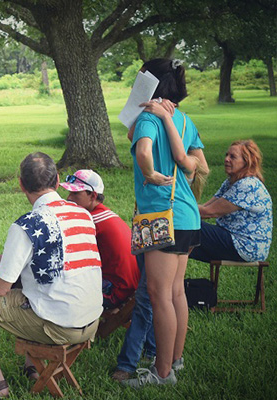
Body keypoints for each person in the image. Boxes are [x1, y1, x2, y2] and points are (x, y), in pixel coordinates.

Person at [0, 152, 102, 397]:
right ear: (56, 183)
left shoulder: (27, 224)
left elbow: (1, 288)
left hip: (60, 327)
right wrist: (3, 259)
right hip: (91, 322)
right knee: (35, 284)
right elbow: (58, 251)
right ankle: (32, 366)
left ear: (21, 185)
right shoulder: (83, 214)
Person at [125, 58, 205, 387]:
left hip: (160, 216)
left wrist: (149, 173)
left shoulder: (149, 118)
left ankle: (161, 374)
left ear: (149, 85)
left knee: (159, 295)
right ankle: (175, 360)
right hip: (187, 214)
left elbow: (143, 151)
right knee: (175, 293)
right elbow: (197, 166)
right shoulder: (184, 120)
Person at [60, 169, 139, 308]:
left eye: (75, 193)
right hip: (131, 286)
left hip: (115, 291)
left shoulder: (91, 222)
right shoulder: (106, 215)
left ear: (93, 195)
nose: (69, 198)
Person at [190, 140, 272, 263]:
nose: (227, 159)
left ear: (247, 162)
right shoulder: (231, 182)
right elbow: (206, 207)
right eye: (226, 155)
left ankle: (171, 282)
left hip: (246, 247)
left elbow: (208, 212)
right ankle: (172, 281)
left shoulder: (247, 185)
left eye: (232, 157)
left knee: (187, 228)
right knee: (179, 243)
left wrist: (174, 209)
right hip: (233, 240)